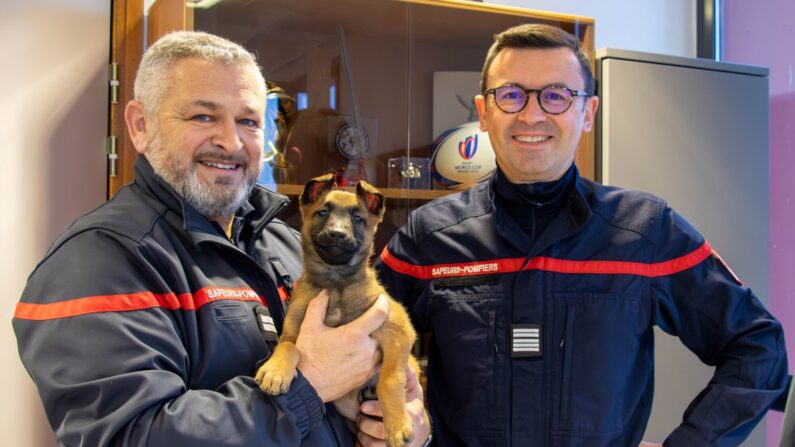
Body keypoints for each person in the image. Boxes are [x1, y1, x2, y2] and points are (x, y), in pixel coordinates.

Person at [375, 23, 788, 446]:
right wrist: (398, 414)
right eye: (511, 94)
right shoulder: (429, 238)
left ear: (588, 113)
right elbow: (353, 347)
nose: (531, 114)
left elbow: (758, 347)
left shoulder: (646, 232)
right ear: (483, 112)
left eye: (556, 95)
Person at [13, 31, 429, 447]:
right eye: (202, 117)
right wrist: (309, 385)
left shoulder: (285, 243)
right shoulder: (96, 263)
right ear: (141, 126)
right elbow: (131, 436)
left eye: (248, 121)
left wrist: (406, 426)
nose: (230, 143)